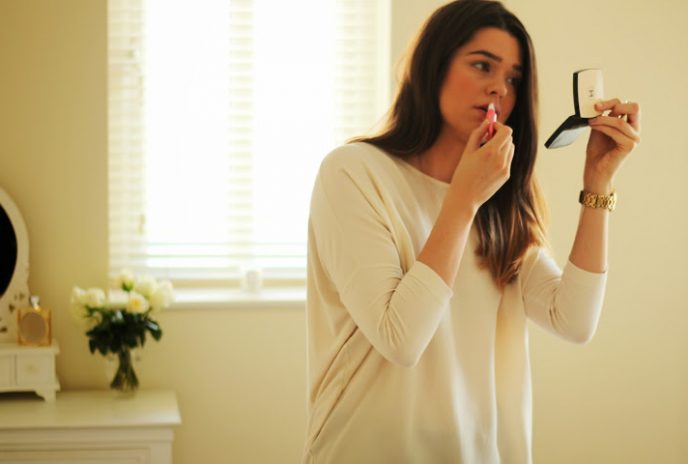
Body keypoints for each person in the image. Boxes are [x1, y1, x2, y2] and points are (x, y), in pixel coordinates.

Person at [303, 0, 641, 462]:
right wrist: (463, 200)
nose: (499, 88)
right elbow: (401, 338)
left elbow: (574, 320)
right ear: (433, 66)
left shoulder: (497, 203)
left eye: (514, 79)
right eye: (483, 65)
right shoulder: (354, 173)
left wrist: (598, 181)